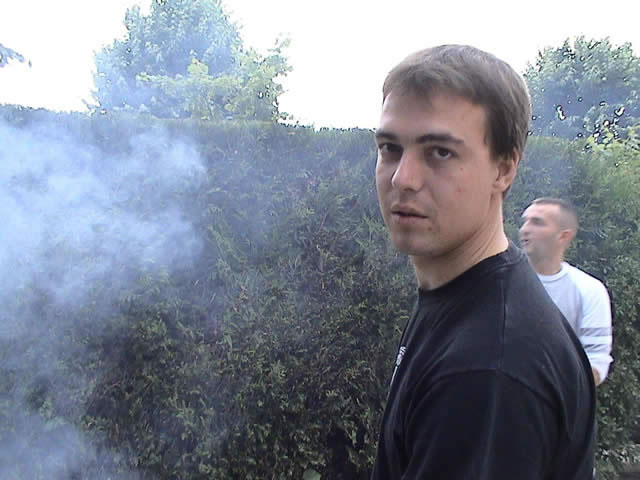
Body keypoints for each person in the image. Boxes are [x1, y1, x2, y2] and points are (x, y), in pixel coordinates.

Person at [371, 45, 595, 479]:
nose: (403, 178)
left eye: (440, 152)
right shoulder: (464, 301)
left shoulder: (487, 370)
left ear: (504, 169)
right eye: (390, 148)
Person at [519, 197, 613, 386]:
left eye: (537, 222)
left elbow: (596, 362)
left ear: (563, 236)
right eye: (525, 221)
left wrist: (544, 390)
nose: (525, 229)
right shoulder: (497, 280)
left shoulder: (589, 290)